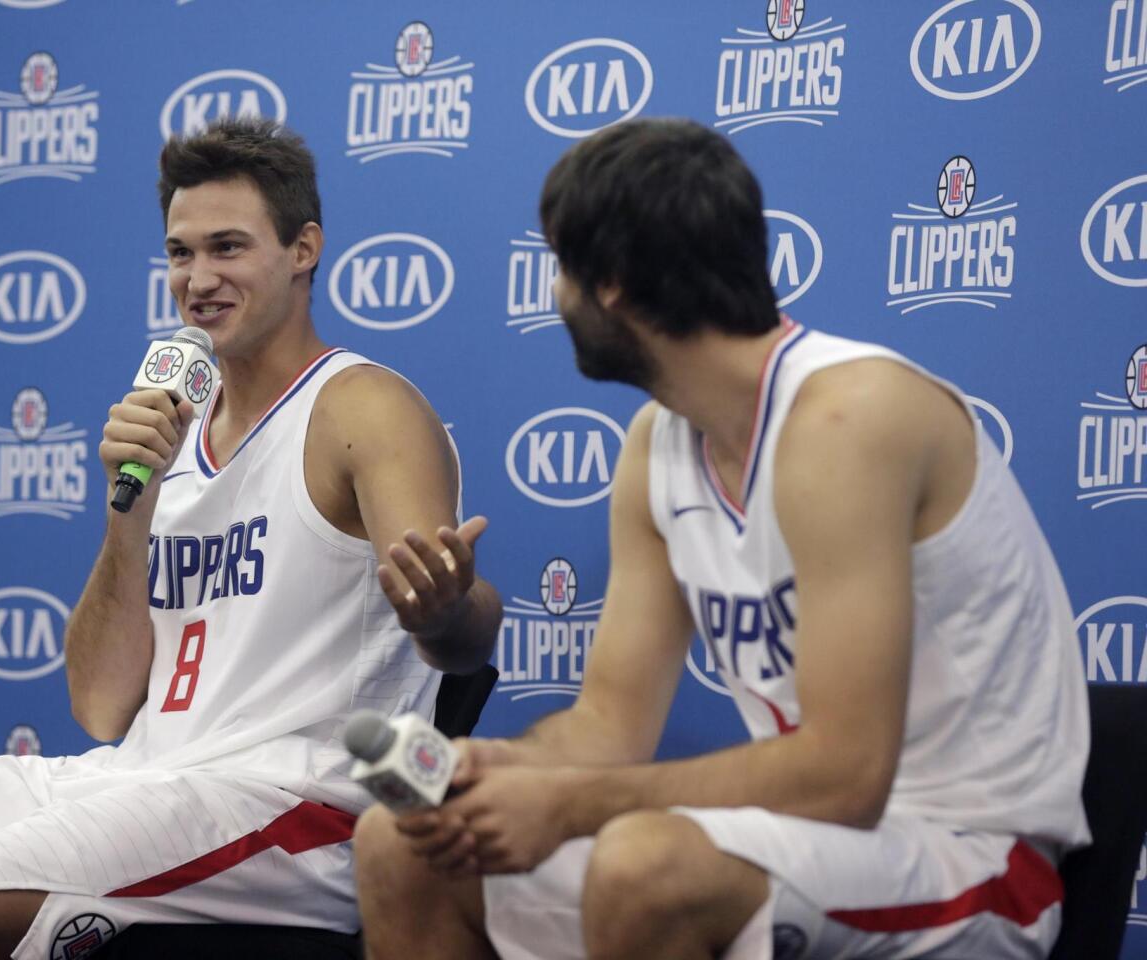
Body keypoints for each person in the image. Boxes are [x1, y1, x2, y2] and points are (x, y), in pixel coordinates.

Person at [0, 118, 501, 959]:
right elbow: (99, 706)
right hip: (143, 774)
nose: (199, 279)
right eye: (180, 253)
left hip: (296, 801)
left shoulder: (361, 407)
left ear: (304, 249)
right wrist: (130, 508)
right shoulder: (171, 427)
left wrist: (445, 606)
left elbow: (455, 629)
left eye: (228, 248)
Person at [355, 117, 1089, 960]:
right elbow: (607, 727)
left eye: (561, 269)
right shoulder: (657, 446)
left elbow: (848, 775)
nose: (551, 297)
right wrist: (492, 773)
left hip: (972, 857)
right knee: (402, 844)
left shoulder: (850, 418)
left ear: (615, 285)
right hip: (810, 842)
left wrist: (568, 806)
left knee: (645, 864)